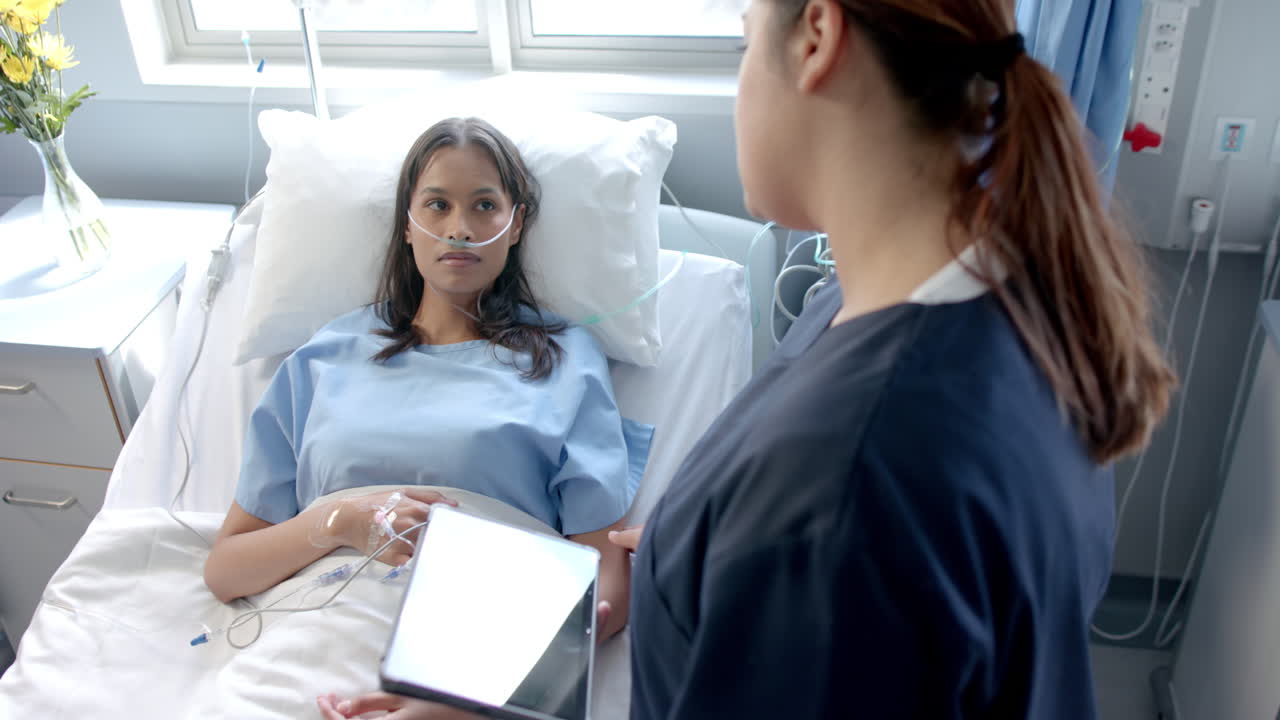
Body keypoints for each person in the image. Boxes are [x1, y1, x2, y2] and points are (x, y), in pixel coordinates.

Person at [326, 0, 1175, 717]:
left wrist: (752, 553)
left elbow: (821, 544)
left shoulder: (843, 486)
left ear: (817, 38)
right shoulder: (972, 305)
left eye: (743, 44)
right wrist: (697, 554)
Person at [203, 117, 646, 662]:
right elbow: (227, 570)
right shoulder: (326, 356)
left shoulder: (566, 360)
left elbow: (606, 585)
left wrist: (502, 676)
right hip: (315, 636)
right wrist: (340, 523)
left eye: (484, 205)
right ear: (408, 225)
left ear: (516, 225)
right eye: (437, 205)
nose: (459, 228)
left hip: (476, 647)